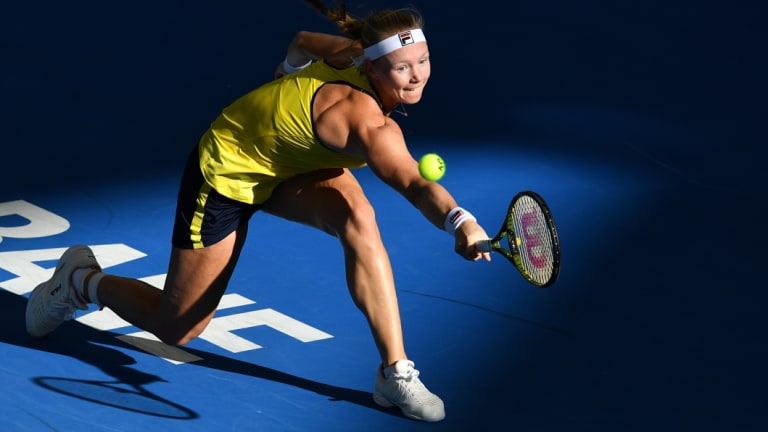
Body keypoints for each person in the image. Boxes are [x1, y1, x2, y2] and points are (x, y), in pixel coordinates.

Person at [25, 0, 490, 422]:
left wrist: (286, 75)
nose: (416, 75)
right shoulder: (370, 127)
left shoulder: (350, 52)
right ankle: (80, 280)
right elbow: (413, 181)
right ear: (372, 66)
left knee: (359, 221)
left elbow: (303, 42)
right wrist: (460, 220)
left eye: (422, 61)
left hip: (290, 163)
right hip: (227, 173)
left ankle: (394, 371)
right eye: (401, 67)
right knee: (177, 329)